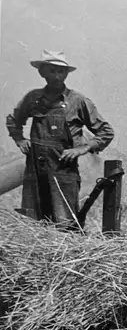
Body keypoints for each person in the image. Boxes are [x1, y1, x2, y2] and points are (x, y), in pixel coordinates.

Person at [6, 50, 115, 229]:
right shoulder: (33, 98)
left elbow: (106, 131)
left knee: (65, 222)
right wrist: (19, 140)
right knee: (34, 221)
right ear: (42, 72)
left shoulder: (77, 101)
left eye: (61, 71)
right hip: (36, 169)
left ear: (66, 74)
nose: (57, 75)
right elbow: (14, 120)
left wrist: (83, 148)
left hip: (63, 169)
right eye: (51, 70)